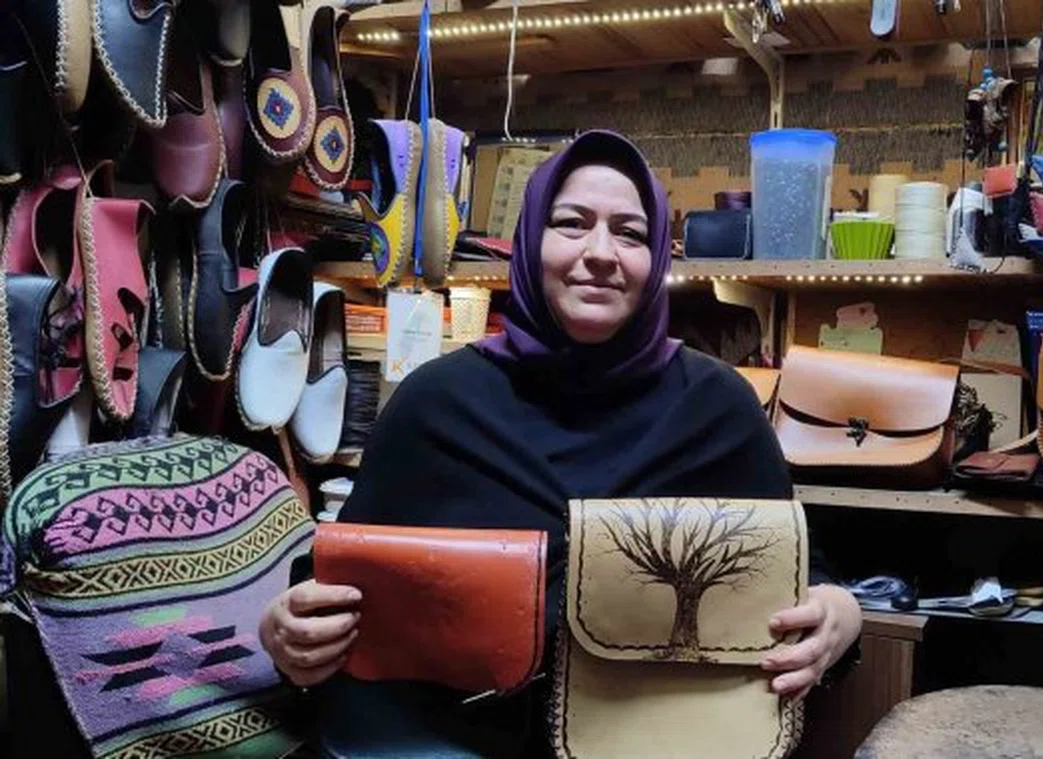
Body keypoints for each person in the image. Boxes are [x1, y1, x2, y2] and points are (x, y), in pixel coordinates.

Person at [258, 130, 863, 758]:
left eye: (629, 233)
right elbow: (340, 580)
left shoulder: (718, 410)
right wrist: (292, 631)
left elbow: (796, 577)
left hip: (658, 737)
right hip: (445, 738)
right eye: (571, 224)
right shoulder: (436, 404)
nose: (600, 253)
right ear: (528, 241)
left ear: (658, 254)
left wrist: (839, 614)